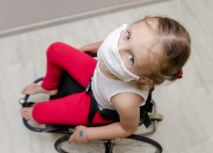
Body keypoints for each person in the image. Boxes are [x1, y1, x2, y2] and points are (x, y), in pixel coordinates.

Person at [20, 16, 191, 144]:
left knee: (39, 112)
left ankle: (39, 111)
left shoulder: (126, 100)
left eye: (131, 58)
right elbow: (110, 44)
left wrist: (88, 134)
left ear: (144, 78)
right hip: (95, 75)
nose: (116, 48)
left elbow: (127, 128)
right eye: (128, 35)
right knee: (55, 49)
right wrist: (89, 48)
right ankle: (50, 86)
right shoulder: (118, 50)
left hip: (96, 103)